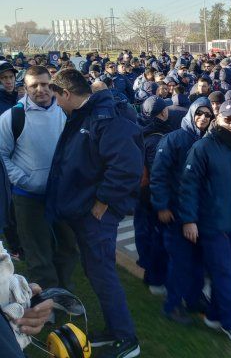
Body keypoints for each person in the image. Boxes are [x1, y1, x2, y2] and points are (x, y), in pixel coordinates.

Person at [46, 69, 142, 357]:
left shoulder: (104, 118)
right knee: (96, 271)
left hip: (96, 215)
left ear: (66, 93)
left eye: (57, 98)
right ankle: (115, 329)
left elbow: (127, 167)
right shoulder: (85, 115)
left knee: (102, 273)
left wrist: (102, 203)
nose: (56, 104)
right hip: (84, 211)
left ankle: (127, 339)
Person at [178, 100, 231, 346]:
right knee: (225, 274)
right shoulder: (203, 147)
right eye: (229, 120)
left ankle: (214, 315)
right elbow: (188, 185)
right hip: (212, 222)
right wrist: (189, 219)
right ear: (219, 119)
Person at [0, 66, 78, 291]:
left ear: (52, 86)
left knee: (68, 246)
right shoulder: (12, 117)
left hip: (63, 193)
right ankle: (45, 301)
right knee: (37, 251)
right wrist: (23, 179)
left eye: (44, 84)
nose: (40, 90)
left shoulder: (66, 111)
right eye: (34, 85)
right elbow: (2, 156)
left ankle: (64, 293)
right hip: (28, 196)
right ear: (25, 88)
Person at [150, 97, 214, 324]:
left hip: (199, 213)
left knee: (198, 260)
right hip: (176, 212)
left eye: (208, 115)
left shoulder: (209, 142)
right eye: (200, 113)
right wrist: (162, 205)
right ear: (192, 114)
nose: (203, 118)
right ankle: (172, 305)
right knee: (180, 261)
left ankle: (194, 297)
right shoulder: (174, 139)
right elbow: (159, 175)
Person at [134, 96, 174, 296]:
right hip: (152, 195)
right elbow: (158, 172)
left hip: (140, 193)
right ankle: (154, 276)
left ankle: (146, 265)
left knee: (143, 230)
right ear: (162, 113)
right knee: (156, 237)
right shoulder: (158, 138)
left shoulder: (140, 130)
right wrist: (163, 203)